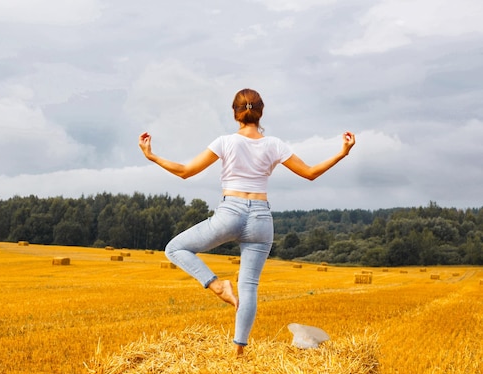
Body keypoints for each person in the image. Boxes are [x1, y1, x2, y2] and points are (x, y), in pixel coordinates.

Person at [138, 88, 355, 355]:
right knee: (249, 285)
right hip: (262, 218)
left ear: (235, 114)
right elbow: (310, 173)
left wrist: (152, 156)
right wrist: (342, 153)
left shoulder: (225, 142)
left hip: (231, 212)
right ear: (261, 112)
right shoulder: (274, 144)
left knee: (174, 248)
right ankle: (239, 351)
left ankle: (218, 286)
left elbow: (185, 172)